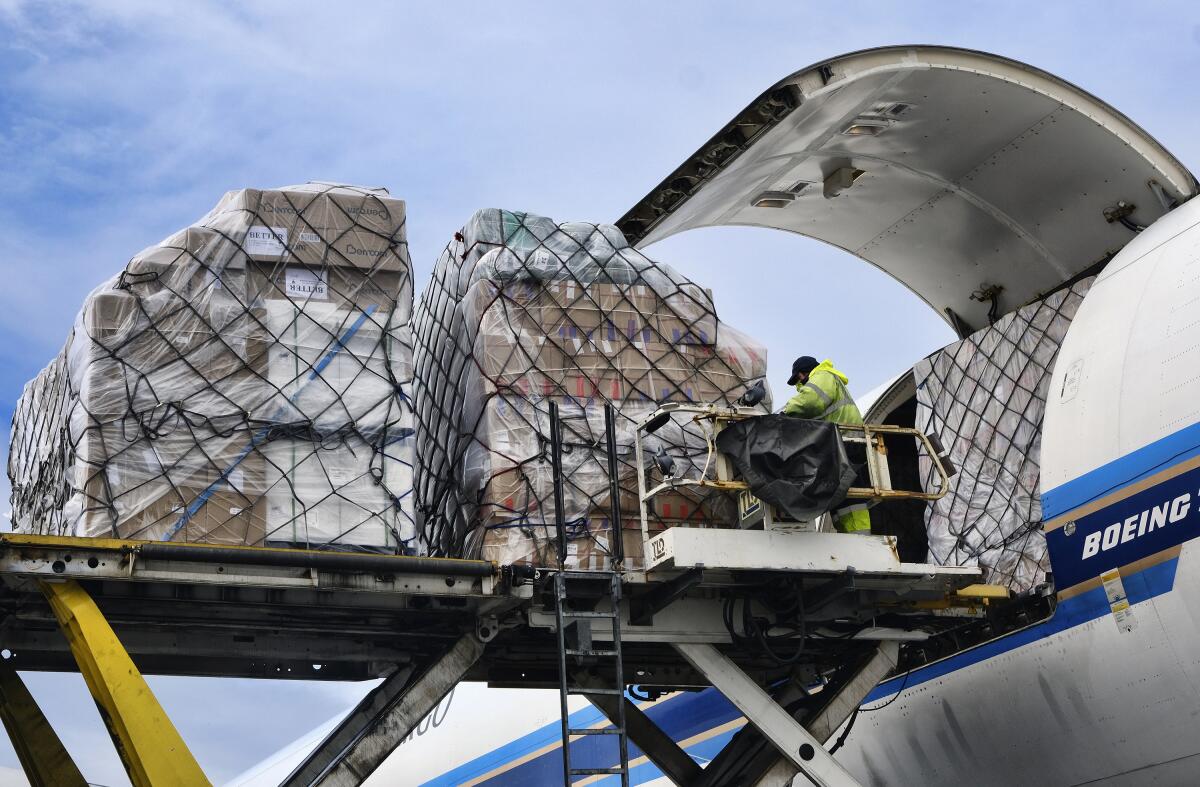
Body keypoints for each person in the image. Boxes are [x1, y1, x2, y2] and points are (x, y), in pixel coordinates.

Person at [781, 356, 871, 534]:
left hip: (845, 443)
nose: (799, 381)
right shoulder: (827, 379)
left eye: (798, 377)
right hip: (842, 443)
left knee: (848, 495)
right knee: (839, 494)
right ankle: (849, 534)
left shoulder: (823, 375)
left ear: (802, 373)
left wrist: (786, 411)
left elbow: (810, 402)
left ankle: (859, 537)